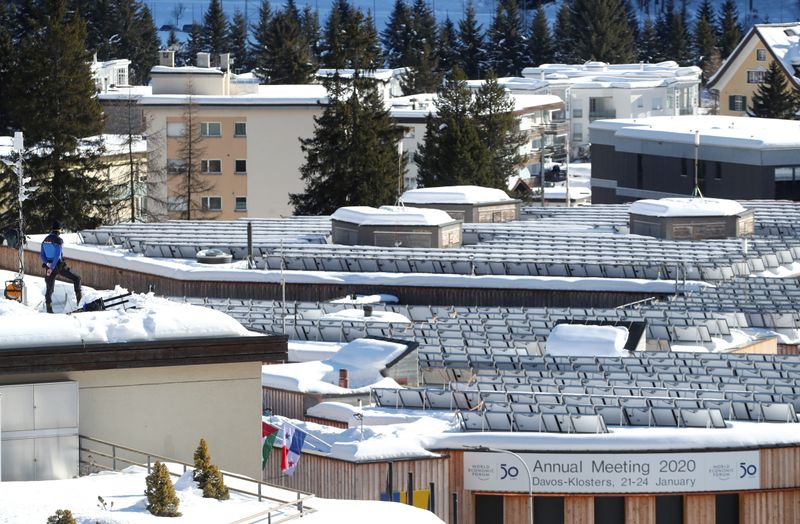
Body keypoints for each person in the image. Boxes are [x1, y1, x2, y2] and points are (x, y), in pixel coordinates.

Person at [39, 220, 81, 313]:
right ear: (60, 230)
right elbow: (58, 255)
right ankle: (80, 303)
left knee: (49, 289)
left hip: (49, 266)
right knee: (77, 278)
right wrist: (52, 266)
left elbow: (42, 255)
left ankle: (49, 310)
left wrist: (48, 265)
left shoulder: (44, 240)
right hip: (59, 266)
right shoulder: (59, 240)